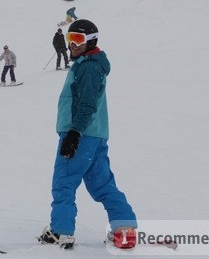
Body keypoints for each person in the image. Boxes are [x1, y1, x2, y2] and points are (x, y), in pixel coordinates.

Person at [38, 19, 137, 250]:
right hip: (95, 135)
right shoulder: (88, 64)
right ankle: (125, 230)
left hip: (81, 135)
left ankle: (60, 232)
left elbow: (87, 105)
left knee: (64, 181)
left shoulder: (89, 68)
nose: (72, 45)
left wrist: (74, 133)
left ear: (91, 41)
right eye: (70, 39)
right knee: (102, 184)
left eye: (78, 40)